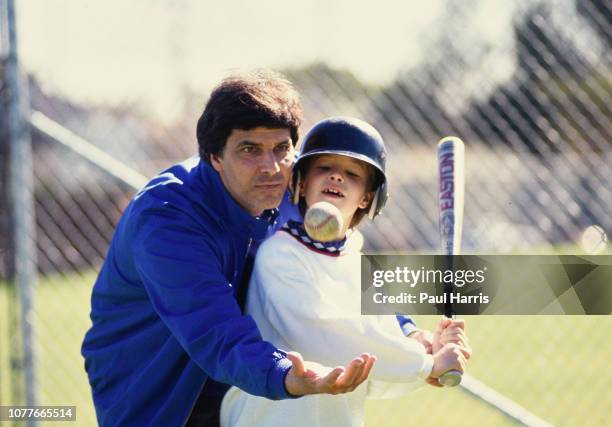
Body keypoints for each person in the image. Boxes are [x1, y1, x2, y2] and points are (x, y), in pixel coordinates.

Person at [81, 72, 376, 427]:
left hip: (243, 385)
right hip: (156, 388)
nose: (271, 168)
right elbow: (214, 332)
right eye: (249, 150)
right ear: (214, 156)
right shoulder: (167, 217)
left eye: (282, 149)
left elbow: (344, 261)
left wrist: (416, 328)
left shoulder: (290, 189)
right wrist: (284, 374)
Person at [220, 117, 472, 427]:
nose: (337, 177)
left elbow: (380, 338)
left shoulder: (355, 260)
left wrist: (425, 342)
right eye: (324, 168)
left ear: (367, 197)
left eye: (352, 174)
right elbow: (326, 332)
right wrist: (426, 363)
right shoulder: (280, 255)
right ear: (301, 183)